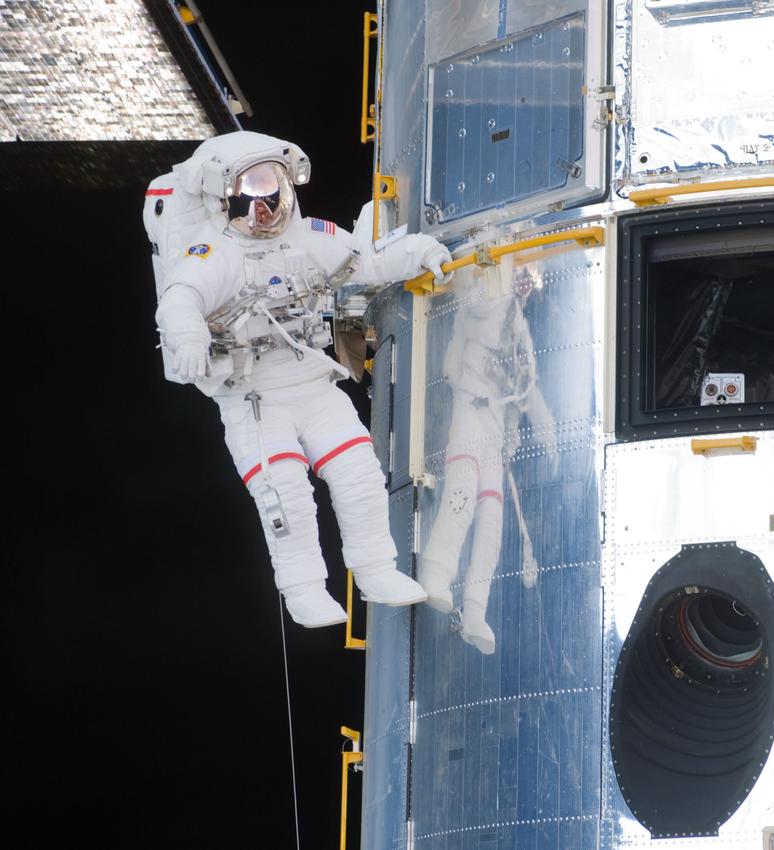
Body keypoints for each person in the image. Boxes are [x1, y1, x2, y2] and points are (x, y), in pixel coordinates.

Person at [152, 130, 452, 627]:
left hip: (312, 385)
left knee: (359, 474)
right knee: (284, 494)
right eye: (248, 195)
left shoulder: (310, 236)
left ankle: (377, 570)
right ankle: (305, 591)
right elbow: (181, 297)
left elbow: (368, 260)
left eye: (270, 190)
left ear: (287, 187)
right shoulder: (214, 253)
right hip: (254, 398)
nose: (262, 209)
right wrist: (187, 340)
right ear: (225, 199)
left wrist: (423, 252)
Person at [418, 266, 556, 653]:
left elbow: (530, 391)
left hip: (496, 435)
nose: (525, 288)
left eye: (529, 284)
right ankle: (436, 573)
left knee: (491, 523)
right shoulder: (484, 306)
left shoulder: (522, 332)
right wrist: (491, 269)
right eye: (521, 280)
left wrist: (548, 432)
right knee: (460, 495)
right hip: (471, 412)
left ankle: (475, 609)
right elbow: (470, 293)